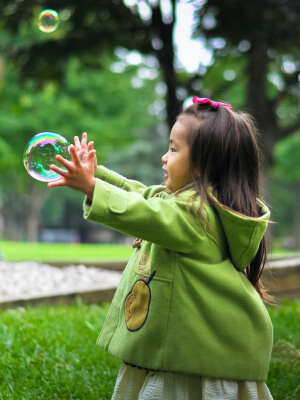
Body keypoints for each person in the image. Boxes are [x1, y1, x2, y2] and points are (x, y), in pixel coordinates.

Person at [48, 97, 274, 400]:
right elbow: (141, 194)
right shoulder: (187, 204)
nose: (164, 158)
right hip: (183, 353)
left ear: (201, 165)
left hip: (193, 363)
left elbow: (143, 212)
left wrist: (91, 188)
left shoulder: (197, 216)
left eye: (173, 148)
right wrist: (96, 174)